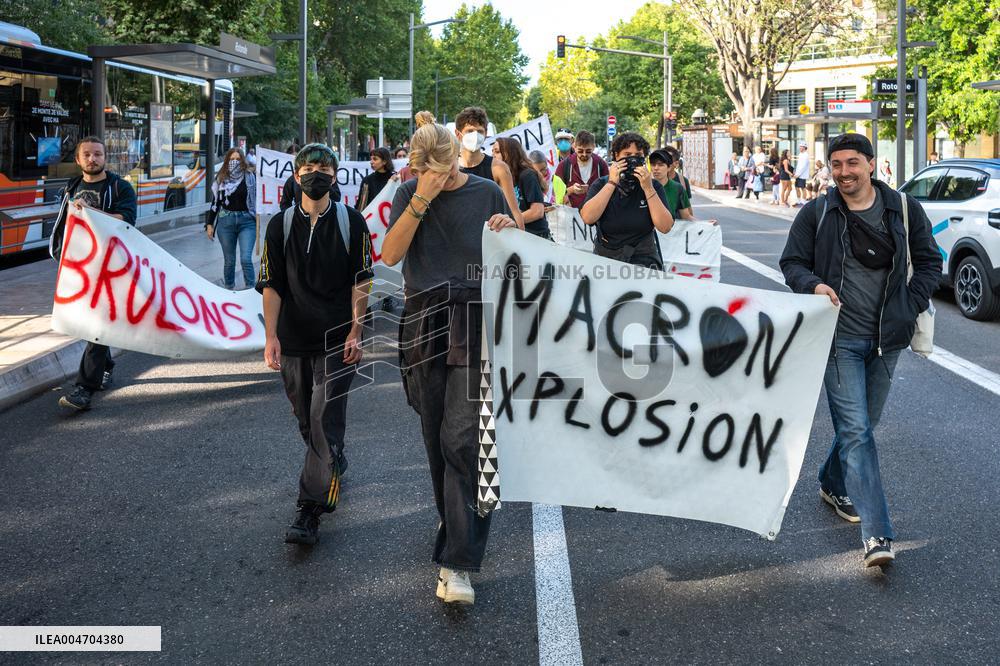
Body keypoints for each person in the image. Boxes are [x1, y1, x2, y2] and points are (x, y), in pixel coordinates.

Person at [779, 132, 941, 568]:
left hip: (888, 339)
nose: (844, 172)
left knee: (864, 425)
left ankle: (832, 482)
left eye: (852, 163)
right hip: (838, 340)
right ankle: (877, 534)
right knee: (856, 432)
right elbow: (791, 263)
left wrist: (910, 304)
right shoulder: (817, 212)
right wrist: (813, 284)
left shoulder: (904, 209)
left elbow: (930, 261)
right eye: (836, 164)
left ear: (871, 164)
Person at [382, 118, 518, 605]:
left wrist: (508, 228)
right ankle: (453, 522)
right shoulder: (408, 193)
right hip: (424, 321)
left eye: (440, 171)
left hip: (475, 318)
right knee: (435, 438)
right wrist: (420, 198)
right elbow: (390, 255)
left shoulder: (485, 192)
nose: (435, 178)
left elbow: (518, 251)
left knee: (465, 439)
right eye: (425, 171)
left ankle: (458, 564)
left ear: (454, 158)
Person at [258, 143, 374, 546]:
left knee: (323, 418)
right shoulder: (279, 225)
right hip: (293, 339)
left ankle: (309, 509)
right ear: (296, 176)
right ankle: (331, 457)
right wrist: (271, 336)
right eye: (308, 168)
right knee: (307, 419)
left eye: (324, 168)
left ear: (335, 176)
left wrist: (356, 329)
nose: (316, 174)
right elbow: (271, 285)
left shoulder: (352, 221)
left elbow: (362, 279)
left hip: (337, 340)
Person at [50, 136, 137, 412]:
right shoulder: (71, 187)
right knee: (92, 323)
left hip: (111, 269)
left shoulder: (120, 187)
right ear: (78, 159)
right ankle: (106, 366)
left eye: (98, 154)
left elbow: (127, 220)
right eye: (86, 154)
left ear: (105, 157)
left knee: (98, 324)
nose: (92, 159)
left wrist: (92, 213)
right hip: (81, 269)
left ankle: (84, 389)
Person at [580, 132, 674, 269]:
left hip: (643, 259)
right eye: (627, 155)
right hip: (607, 259)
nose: (633, 159)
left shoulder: (654, 186)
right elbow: (588, 218)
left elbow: (665, 227)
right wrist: (612, 183)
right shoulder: (601, 184)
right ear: (616, 156)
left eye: (638, 155)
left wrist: (648, 188)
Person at [454, 106, 524, 229]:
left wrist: (518, 231)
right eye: (470, 131)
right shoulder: (449, 168)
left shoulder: (499, 168)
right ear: (458, 134)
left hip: (489, 235)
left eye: (480, 131)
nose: (475, 135)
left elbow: (514, 212)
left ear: (486, 134)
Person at [206, 147, 257, 290]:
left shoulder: (250, 177)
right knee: (229, 261)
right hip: (226, 222)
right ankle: (229, 289)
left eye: (238, 159)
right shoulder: (222, 178)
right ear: (227, 160)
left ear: (243, 160)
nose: (235, 162)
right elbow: (215, 203)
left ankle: (251, 289)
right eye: (232, 159)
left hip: (247, 221)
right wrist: (209, 224)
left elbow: (259, 197)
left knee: (246, 259)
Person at [492, 137, 547, 237]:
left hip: (535, 237)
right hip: (514, 235)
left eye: (497, 152)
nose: (493, 155)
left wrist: (509, 221)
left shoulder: (527, 175)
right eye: (492, 152)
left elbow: (537, 211)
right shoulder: (499, 177)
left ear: (510, 153)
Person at [556, 130, 610, 209]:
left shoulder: (601, 164)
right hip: (572, 213)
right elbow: (556, 193)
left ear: (593, 147)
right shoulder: (564, 165)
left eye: (588, 151)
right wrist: (571, 190)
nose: (584, 154)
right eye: (580, 151)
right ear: (574, 147)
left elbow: (608, 189)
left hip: (596, 212)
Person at [649, 149, 694, 220]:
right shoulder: (644, 186)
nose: (656, 168)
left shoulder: (678, 188)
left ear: (669, 167)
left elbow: (686, 216)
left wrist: (705, 224)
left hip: (672, 226)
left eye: (660, 165)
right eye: (653, 165)